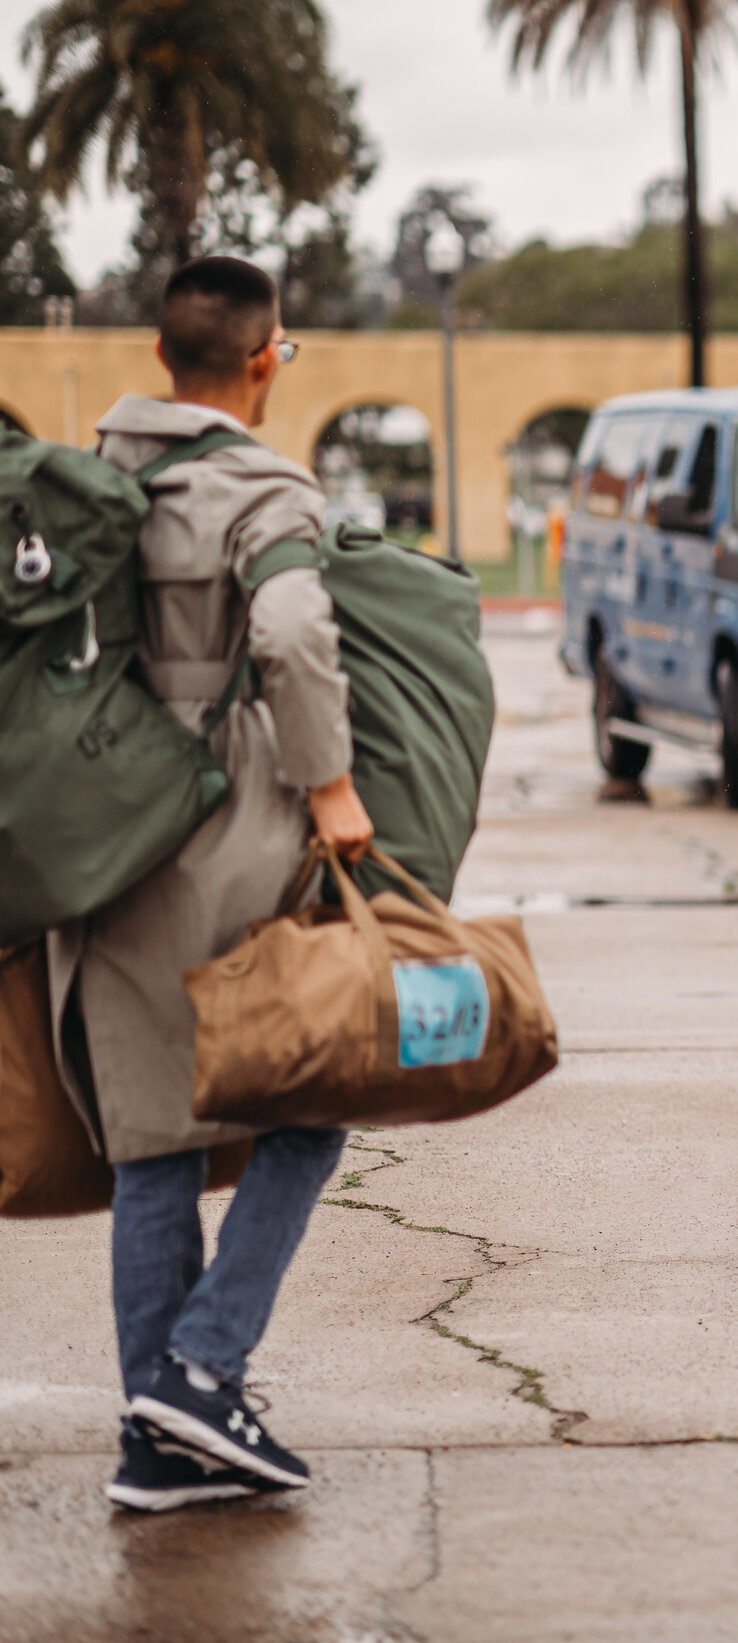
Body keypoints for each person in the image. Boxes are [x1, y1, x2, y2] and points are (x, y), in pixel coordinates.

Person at [49, 257, 374, 1511]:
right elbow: (292, 632)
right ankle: (202, 1365)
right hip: (223, 842)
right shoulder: (258, 481)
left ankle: (157, 1446)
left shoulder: (88, 475)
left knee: (153, 1144)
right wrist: (331, 783)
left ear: (155, 359)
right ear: (257, 361)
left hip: (96, 841)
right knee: (315, 1092)